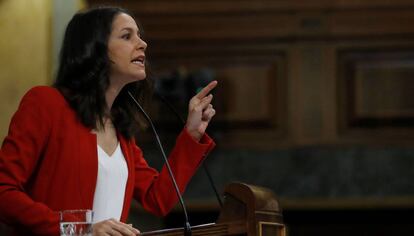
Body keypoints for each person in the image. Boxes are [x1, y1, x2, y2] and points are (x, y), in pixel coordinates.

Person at [0, 6, 217, 236]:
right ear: (95, 50)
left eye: (139, 35)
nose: (143, 43)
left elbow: (158, 199)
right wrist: (80, 229)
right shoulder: (46, 103)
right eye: (126, 36)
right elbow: (4, 191)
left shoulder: (120, 130)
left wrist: (192, 134)